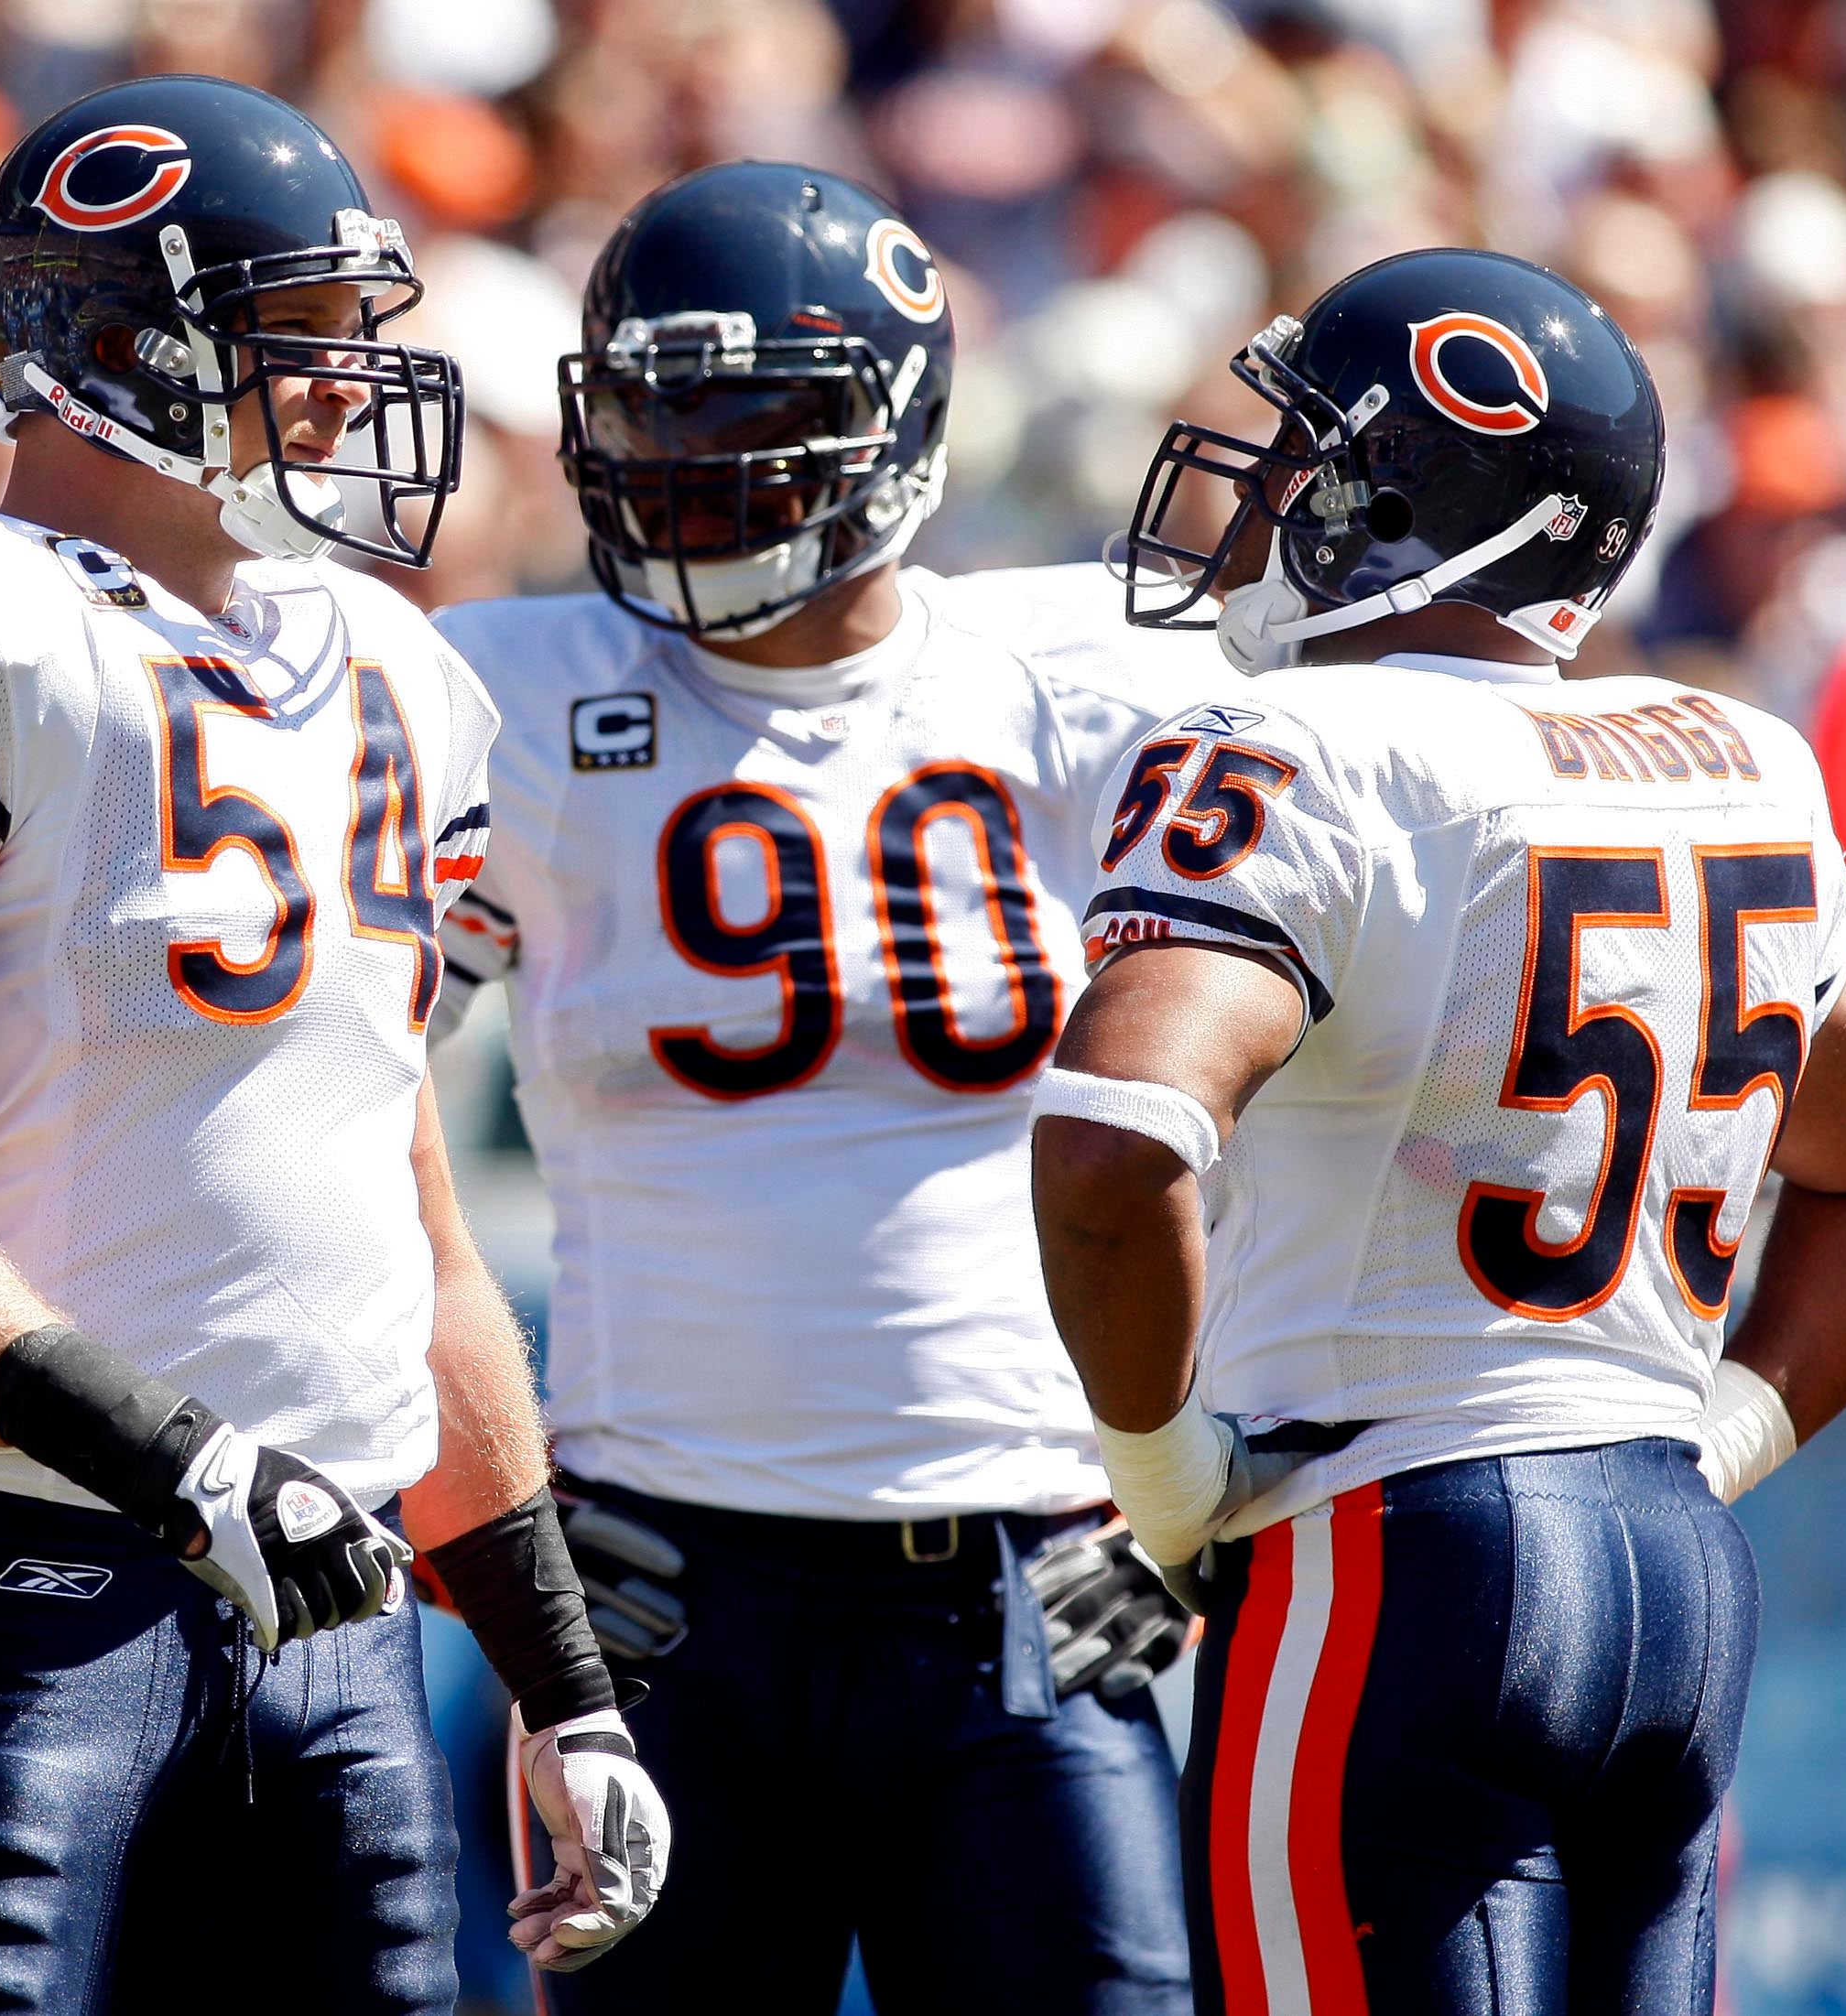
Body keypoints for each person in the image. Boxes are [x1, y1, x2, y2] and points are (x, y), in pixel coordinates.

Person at [0, 78, 665, 2013]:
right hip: (21, 1582)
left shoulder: (402, 674)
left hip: (348, 1602)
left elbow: (413, 1224)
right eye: (293, 340)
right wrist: (182, 1465)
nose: (345, 388)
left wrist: (567, 1682)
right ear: (112, 348)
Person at [1029, 246, 1846, 2012]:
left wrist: (1167, 1490)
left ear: (1412, 498)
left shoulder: (1305, 744)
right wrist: (1709, 1439)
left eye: (1311, 455)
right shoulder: (1733, 757)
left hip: (1386, 1552)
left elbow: (1112, 1134)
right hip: (1670, 1568)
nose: (1265, 492)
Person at [430, 161, 1219, 2014]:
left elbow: (1310, 1089)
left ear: (903, 425)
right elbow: (318, 1124)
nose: (693, 463)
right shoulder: (507, 691)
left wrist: (1212, 1493)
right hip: (655, 1590)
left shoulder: (1089, 678)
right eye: (652, 409)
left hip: (1035, 1587)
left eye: (759, 417)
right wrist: (506, 1531)